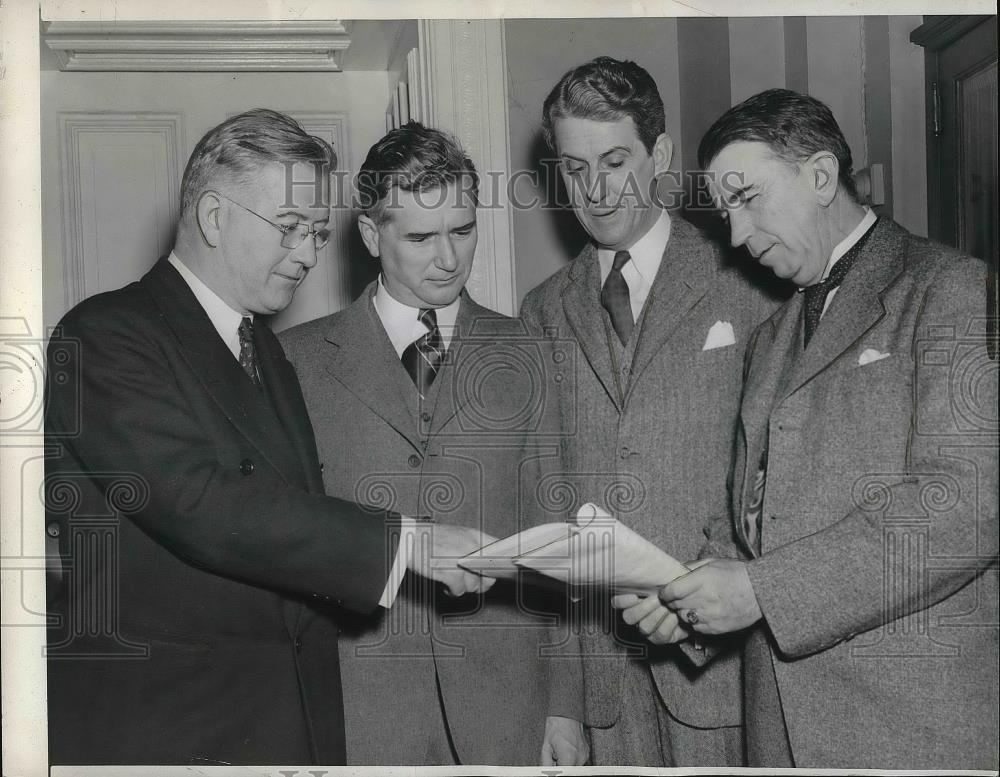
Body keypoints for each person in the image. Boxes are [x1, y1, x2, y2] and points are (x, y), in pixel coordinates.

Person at [45, 108, 492, 767]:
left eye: (315, 233)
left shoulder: (265, 351)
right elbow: (201, 502)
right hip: (168, 729)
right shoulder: (104, 335)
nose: (310, 254)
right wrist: (411, 541)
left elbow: (292, 525)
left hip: (286, 720)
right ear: (215, 217)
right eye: (290, 229)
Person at [643, 88, 998, 769]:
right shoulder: (771, 336)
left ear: (820, 174)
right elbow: (757, 519)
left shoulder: (953, 291)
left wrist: (759, 590)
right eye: (726, 213)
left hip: (914, 734)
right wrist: (688, 594)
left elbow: (968, 502)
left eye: (748, 198)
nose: (738, 237)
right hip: (781, 733)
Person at [279, 121, 588, 767]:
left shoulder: (526, 351)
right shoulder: (297, 361)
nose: (448, 258)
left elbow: (553, 534)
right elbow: (287, 541)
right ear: (371, 235)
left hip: (508, 706)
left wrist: (564, 704)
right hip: (358, 705)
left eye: (462, 230)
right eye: (420, 237)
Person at [519, 57, 784, 766]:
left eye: (615, 161)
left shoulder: (751, 279)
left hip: (728, 677)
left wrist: (704, 590)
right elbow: (548, 511)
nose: (597, 191)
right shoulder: (542, 310)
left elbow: (786, 477)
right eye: (575, 169)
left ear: (659, 154)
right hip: (603, 690)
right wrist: (561, 702)